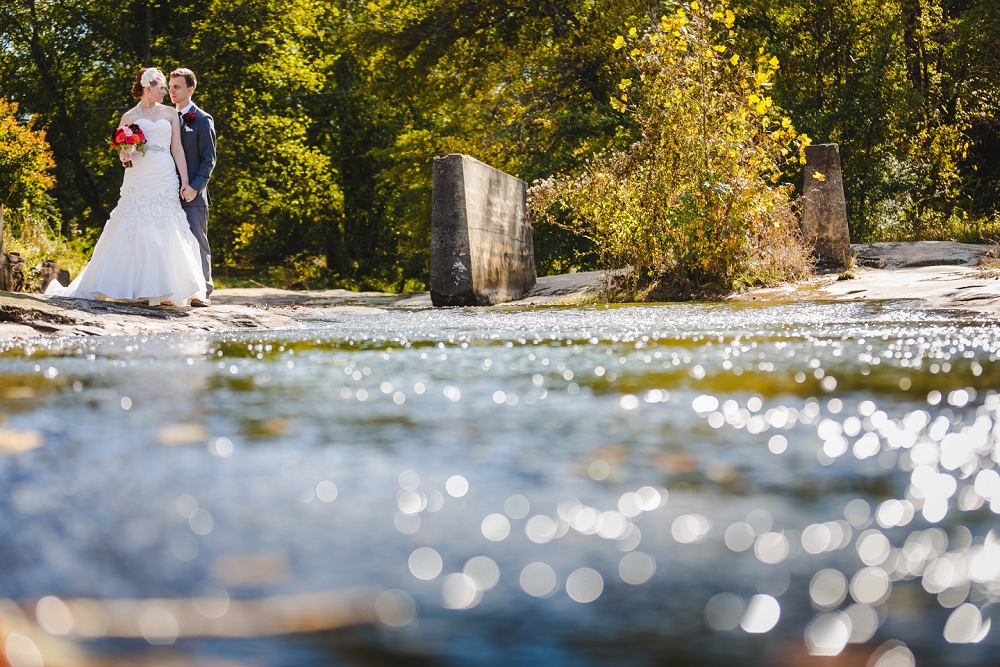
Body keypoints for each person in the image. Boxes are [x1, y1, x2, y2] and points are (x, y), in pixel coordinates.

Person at [46, 67, 206, 307]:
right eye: (162, 87)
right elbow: (125, 149)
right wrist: (125, 155)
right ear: (148, 88)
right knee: (134, 225)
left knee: (165, 226)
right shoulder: (129, 117)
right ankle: (137, 287)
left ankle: (166, 289)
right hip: (137, 176)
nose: (165, 92)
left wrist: (184, 181)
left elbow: (177, 149)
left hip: (163, 175)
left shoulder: (171, 114)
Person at [169, 68, 216, 307]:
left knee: (198, 241)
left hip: (194, 196)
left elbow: (209, 160)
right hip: (167, 192)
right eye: (170, 86)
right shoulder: (167, 118)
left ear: (190, 89)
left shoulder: (202, 119)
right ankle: (175, 290)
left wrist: (195, 188)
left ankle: (203, 292)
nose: (172, 91)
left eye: (177, 87)